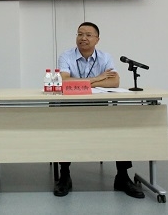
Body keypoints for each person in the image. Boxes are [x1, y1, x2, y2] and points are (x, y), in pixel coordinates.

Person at [53, 22, 144, 199]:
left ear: (97, 39)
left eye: (88, 35)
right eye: (80, 34)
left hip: (100, 107)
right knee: (64, 130)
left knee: (119, 129)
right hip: (71, 107)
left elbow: (114, 82)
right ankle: (64, 176)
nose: (83, 38)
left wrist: (83, 84)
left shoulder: (105, 57)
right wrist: (98, 78)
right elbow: (64, 82)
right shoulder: (66, 56)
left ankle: (122, 176)